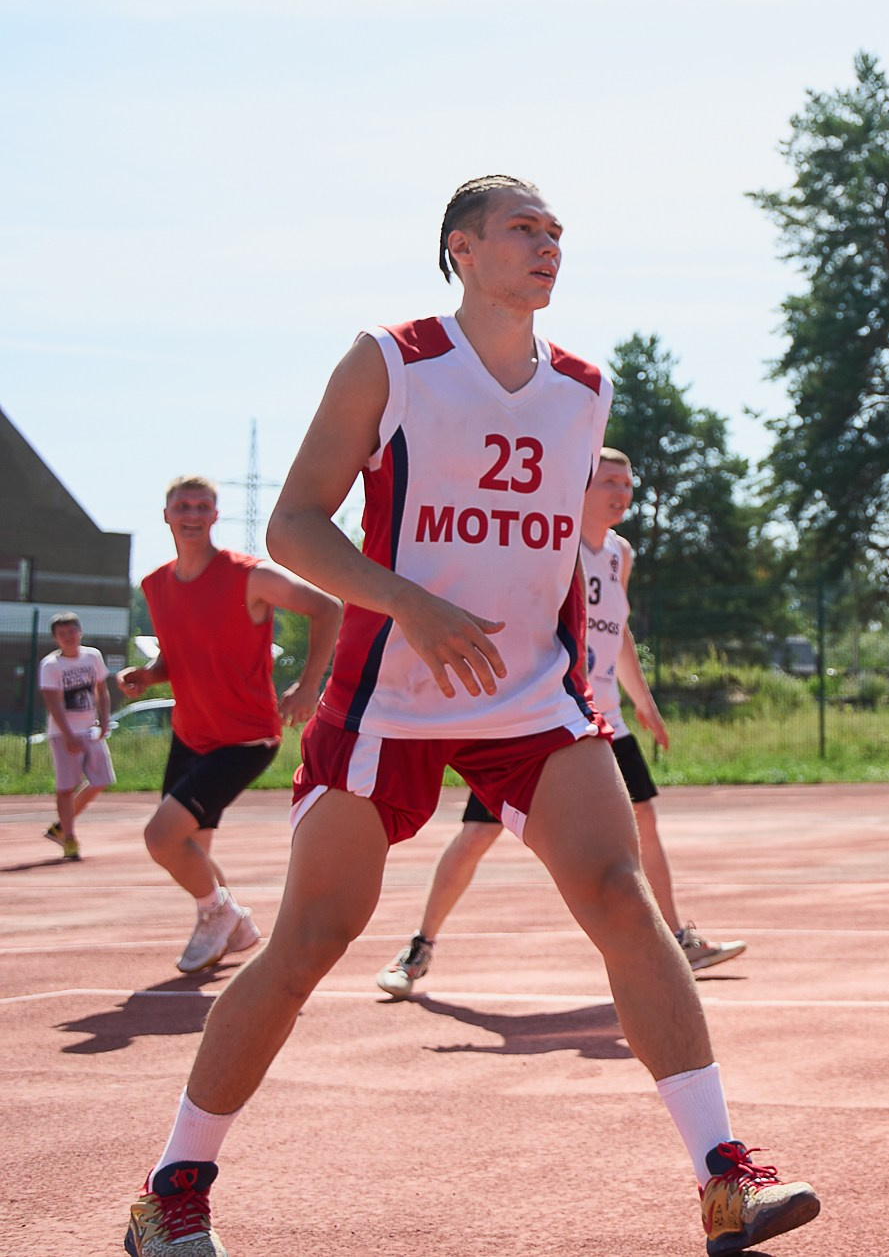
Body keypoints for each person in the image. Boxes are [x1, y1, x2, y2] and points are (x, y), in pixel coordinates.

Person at [121, 176, 819, 1257]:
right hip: (386, 695)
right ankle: (173, 1191)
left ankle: (725, 1178)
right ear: (463, 249)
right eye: (523, 230)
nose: (547, 246)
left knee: (621, 894)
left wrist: (584, 667)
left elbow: (547, 551)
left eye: (556, 232)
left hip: (533, 696)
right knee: (311, 938)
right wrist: (406, 600)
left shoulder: (584, 389)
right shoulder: (391, 361)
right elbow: (298, 527)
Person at [377, 446, 746, 997]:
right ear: (579, 486)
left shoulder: (619, 552)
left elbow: (616, 630)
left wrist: (642, 701)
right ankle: (419, 947)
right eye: (608, 481)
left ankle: (678, 938)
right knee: (479, 833)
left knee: (644, 819)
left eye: (627, 481)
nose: (621, 492)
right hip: (543, 714)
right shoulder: (551, 542)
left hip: (603, 718)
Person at [118, 476, 344, 975]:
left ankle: (221, 913)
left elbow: (328, 607)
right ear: (166, 515)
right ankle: (233, 926)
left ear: (215, 516)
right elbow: (178, 657)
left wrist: (310, 687)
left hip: (245, 737)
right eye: (183, 505)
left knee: (162, 839)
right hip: (190, 733)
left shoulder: (249, 577)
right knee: (188, 848)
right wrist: (149, 675)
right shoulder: (156, 585)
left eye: (202, 505)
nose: (192, 513)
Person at [39, 612, 115, 861]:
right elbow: (52, 702)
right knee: (66, 787)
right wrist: (69, 734)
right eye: (62, 634)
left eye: (72, 632)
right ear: (56, 639)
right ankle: (69, 838)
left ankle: (60, 826)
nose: (68, 637)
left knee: (101, 780)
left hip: (90, 730)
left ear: (79, 633)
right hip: (63, 734)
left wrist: (104, 721)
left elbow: (102, 691)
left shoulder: (93, 656)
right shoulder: (51, 665)